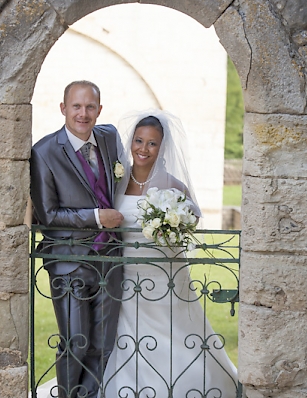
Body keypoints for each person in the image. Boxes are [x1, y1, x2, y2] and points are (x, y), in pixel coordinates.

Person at [98, 110, 239, 398]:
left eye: (152, 143)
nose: (144, 149)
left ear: (162, 148)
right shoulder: (117, 181)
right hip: (126, 275)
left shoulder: (171, 183)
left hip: (165, 274)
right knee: (130, 335)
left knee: (175, 331)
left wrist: (168, 228)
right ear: (131, 142)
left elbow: (193, 218)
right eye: (139, 140)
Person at [30, 80, 124, 398]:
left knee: (102, 345)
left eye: (90, 107)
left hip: (110, 259)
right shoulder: (43, 152)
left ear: (99, 109)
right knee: (75, 343)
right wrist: (96, 218)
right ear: (63, 108)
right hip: (68, 261)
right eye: (76, 106)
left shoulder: (109, 137)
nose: (83, 114)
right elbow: (47, 215)